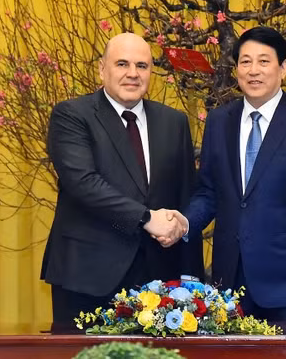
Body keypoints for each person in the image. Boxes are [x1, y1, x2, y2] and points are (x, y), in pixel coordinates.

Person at [167, 26, 286, 323]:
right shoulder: (219, 122)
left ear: (283, 68)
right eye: (245, 62)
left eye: (264, 61)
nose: (253, 71)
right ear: (236, 70)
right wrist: (184, 222)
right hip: (230, 283)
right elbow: (209, 192)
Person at [40, 32, 203, 326]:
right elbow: (84, 183)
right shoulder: (72, 115)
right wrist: (145, 218)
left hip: (159, 281)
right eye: (122, 64)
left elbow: (184, 195)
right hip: (87, 278)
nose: (133, 74)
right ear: (102, 69)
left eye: (142, 66)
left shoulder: (173, 121)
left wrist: (192, 279)